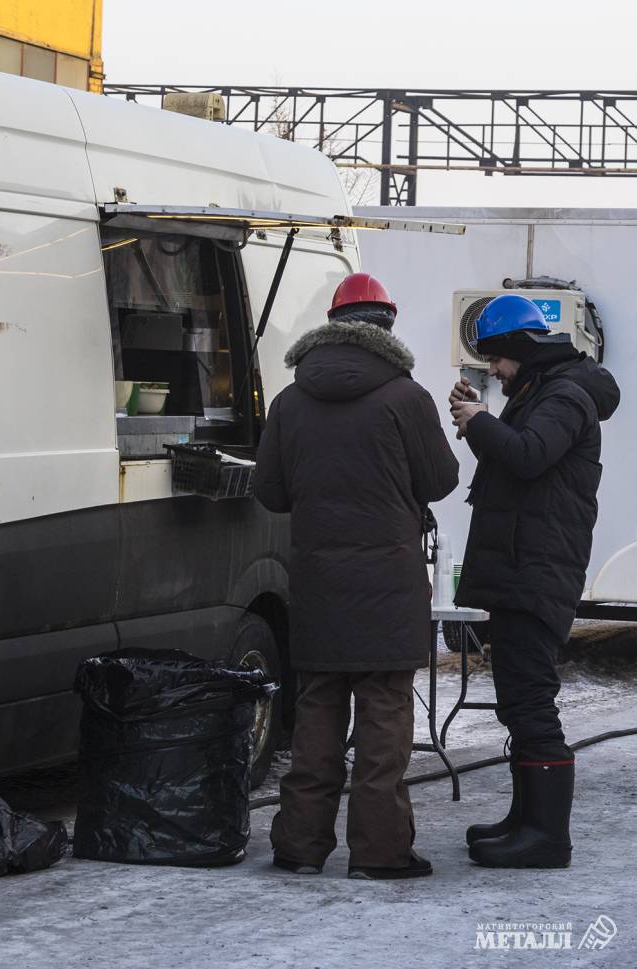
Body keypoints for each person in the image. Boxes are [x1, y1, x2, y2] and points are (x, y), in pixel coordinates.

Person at [254, 273, 459, 880]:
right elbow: (441, 480)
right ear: (387, 328)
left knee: (316, 713)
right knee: (384, 718)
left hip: (318, 584)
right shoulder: (406, 397)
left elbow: (270, 492)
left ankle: (298, 847)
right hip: (388, 586)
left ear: (332, 325)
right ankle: (379, 852)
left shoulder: (290, 400)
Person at [449, 293, 619, 869]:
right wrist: (482, 424)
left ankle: (547, 836)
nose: (492, 370)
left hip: (536, 571)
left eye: (496, 359)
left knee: (531, 701)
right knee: (519, 703)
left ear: (521, 350)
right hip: (522, 571)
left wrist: (480, 423)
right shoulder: (544, 392)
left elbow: (526, 456)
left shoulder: (566, 396)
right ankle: (526, 820)